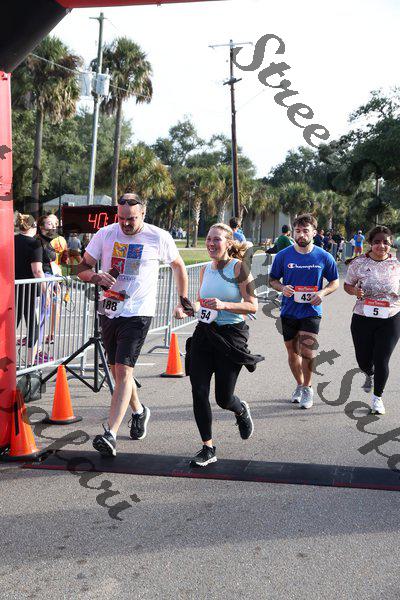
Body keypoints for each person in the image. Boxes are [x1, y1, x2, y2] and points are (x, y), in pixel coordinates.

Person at [77, 192, 188, 457]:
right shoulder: (105, 234)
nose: (126, 223)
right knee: (116, 371)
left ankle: (111, 434)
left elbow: (178, 266)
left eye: (132, 219)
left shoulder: (158, 236)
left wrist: (183, 301)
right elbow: (81, 269)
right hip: (109, 309)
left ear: (143, 214)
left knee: (125, 370)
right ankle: (139, 411)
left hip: (139, 312)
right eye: (122, 218)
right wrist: (96, 277)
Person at [177, 222, 263, 467]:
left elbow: (253, 306)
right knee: (199, 391)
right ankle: (208, 447)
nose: (211, 243)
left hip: (231, 336)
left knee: (223, 398)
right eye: (208, 239)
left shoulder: (239, 268)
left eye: (217, 239)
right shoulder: (206, 269)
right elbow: (200, 301)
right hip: (204, 334)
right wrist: (187, 309)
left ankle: (240, 409)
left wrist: (225, 305)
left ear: (228, 243)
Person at [269, 213, 339, 409]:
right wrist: (282, 288)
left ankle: (308, 388)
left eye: (305, 231)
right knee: (293, 352)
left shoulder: (324, 256)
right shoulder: (283, 256)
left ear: (314, 233)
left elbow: (334, 282)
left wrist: (322, 293)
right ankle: (300, 384)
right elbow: (273, 280)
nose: (301, 234)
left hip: (311, 311)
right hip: (289, 311)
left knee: (308, 350)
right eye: (298, 231)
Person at [344, 226, 400, 415]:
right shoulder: (359, 263)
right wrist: (354, 291)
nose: (381, 246)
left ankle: (377, 398)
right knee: (364, 360)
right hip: (363, 317)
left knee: (382, 359)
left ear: (391, 243)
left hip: (390, 317)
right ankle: (369, 372)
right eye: (377, 242)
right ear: (370, 243)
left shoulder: (397, 264)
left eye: (385, 242)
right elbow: (347, 285)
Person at [14, 214, 45, 364]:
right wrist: (46, 289)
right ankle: (30, 365)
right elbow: (37, 271)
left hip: (12, 289)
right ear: (34, 227)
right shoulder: (35, 244)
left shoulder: (12, 240)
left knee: (11, 325)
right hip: (29, 290)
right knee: (33, 326)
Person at [36, 215, 58, 354]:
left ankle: (38, 349)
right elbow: (38, 269)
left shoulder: (50, 242)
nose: (54, 226)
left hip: (50, 280)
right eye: (50, 223)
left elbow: (52, 264)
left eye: (54, 223)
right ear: (41, 226)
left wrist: (56, 281)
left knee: (45, 315)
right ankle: (36, 350)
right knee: (40, 316)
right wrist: (46, 290)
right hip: (43, 282)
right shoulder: (38, 242)